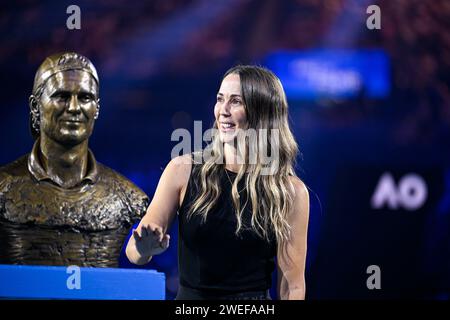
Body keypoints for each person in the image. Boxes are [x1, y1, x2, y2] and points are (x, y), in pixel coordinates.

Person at [126, 65, 309, 300]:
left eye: (235, 101)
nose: (223, 110)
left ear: (262, 111)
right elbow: (134, 251)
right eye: (220, 99)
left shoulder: (290, 191)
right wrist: (144, 248)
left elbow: (292, 287)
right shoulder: (182, 170)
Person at [0, 52, 149, 266]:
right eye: (61, 96)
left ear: (96, 108)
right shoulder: (3, 189)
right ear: (35, 107)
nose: (73, 108)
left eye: (85, 98)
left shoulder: (128, 198)